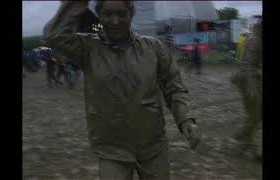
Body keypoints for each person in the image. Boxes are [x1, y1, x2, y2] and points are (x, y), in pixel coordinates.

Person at [43, 1, 202, 179]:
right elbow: (53, 36)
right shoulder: (88, 48)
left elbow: (174, 87)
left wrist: (185, 119)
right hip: (111, 149)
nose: (115, 21)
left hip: (153, 146)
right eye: (107, 14)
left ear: (131, 14)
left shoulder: (154, 48)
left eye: (121, 14)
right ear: (99, 15)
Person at [230, 20, 262, 161]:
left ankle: (243, 135)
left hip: (253, 81)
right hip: (247, 81)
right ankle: (245, 146)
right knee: (255, 115)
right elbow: (247, 65)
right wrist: (251, 87)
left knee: (257, 115)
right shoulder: (255, 41)